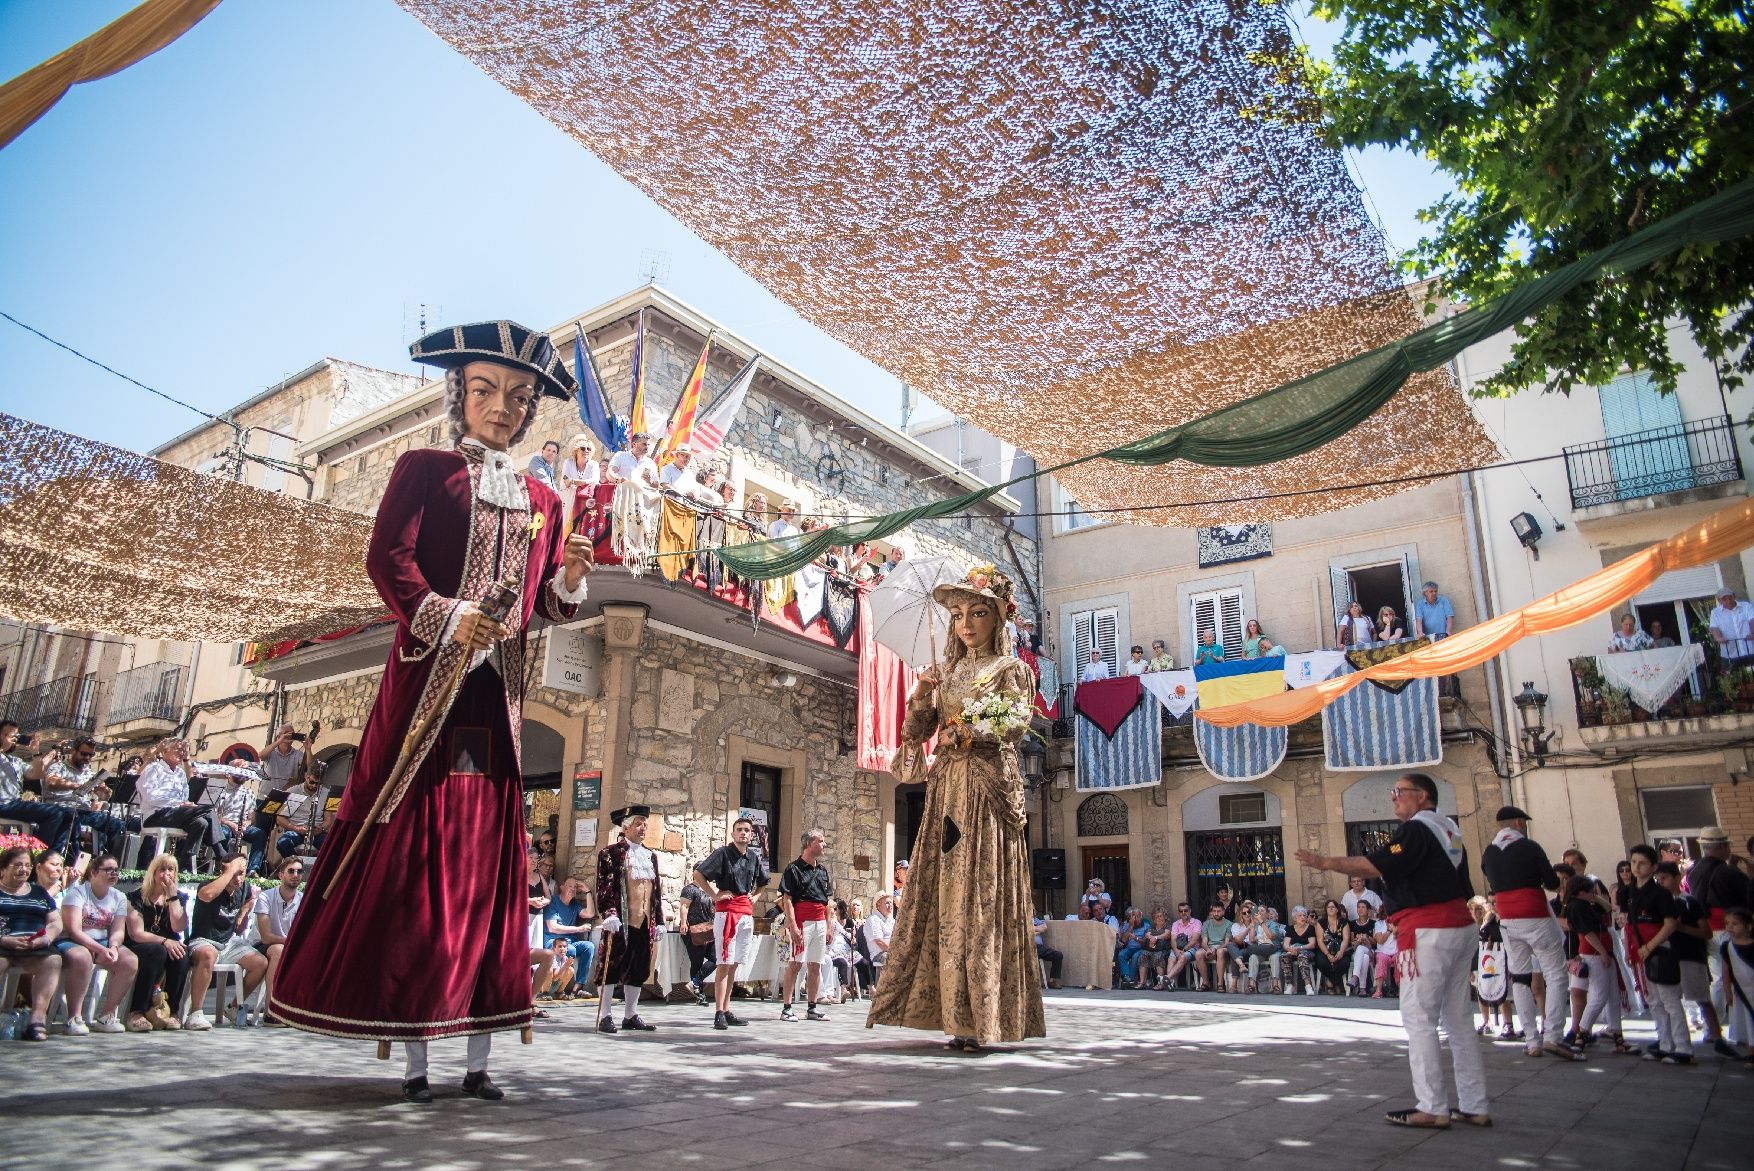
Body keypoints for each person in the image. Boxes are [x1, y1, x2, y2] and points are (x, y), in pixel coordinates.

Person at [273, 319, 591, 1104]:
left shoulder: (542, 497)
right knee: (420, 860)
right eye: (487, 391)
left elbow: (543, 601)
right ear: (461, 394)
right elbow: (391, 558)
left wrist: (574, 579)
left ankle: (478, 1057)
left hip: (491, 707)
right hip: (426, 692)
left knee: (481, 862)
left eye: (519, 399)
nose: (504, 408)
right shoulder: (424, 468)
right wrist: (449, 616)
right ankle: (415, 1056)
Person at [867, 564, 1046, 1051]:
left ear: (999, 618)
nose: (966, 623)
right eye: (958, 614)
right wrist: (921, 698)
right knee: (945, 894)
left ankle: (984, 1016)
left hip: (987, 790)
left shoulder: (1012, 671)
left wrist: (966, 730)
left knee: (980, 892)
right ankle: (949, 1013)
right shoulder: (942, 671)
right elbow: (914, 735)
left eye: (978, 612)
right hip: (947, 788)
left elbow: (1011, 725)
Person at [1296, 772, 1487, 1129]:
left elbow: (1377, 864)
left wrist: (1327, 863)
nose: (1393, 798)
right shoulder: (1450, 830)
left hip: (1431, 929)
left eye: (1400, 792)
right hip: (1458, 926)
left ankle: (1432, 1105)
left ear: (1423, 796)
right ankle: (1475, 1104)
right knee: (1459, 1020)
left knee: (1419, 1017)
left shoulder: (1417, 828)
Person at [1479, 805, 1577, 1060]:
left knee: (1520, 978)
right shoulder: (1530, 847)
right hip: (1535, 915)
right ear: (1520, 823)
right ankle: (1553, 1035)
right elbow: (1552, 883)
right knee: (1555, 975)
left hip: (1508, 920)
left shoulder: (1489, 852)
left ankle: (1532, 1039)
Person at [693, 815, 770, 1030]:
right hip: (727, 913)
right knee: (724, 963)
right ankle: (719, 1011)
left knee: (735, 963)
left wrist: (755, 897)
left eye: (747, 830)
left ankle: (727, 1008)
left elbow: (763, 882)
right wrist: (714, 895)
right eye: (739, 830)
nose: (743, 833)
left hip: (745, 912)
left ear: (751, 834)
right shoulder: (723, 854)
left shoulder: (753, 858)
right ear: (733, 833)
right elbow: (699, 875)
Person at [596, 805, 666, 1035]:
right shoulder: (611, 853)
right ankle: (605, 1015)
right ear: (625, 827)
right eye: (638, 823)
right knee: (612, 965)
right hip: (621, 919)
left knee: (638, 967)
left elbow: (655, 893)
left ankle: (630, 1014)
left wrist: (660, 920)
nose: (643, 828)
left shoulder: (650, 856)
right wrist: (609, 914)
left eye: (645, 824)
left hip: (645, 920)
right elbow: (605, 887)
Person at [1686, 826, 1752, 1053]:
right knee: (1727, 980)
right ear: (1723, 847)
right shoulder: (1729, 873)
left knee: (1717, 979)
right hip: (1728, 930)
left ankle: (1714, 1028)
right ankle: (1726, 1028)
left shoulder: (1693, 872)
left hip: (1707, 930)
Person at [56, 852, 136, 1034]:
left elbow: (117, 930)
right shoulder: (77, 893)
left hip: (102, 941)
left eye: (116, 870)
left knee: (129, 960)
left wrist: (114, 947)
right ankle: (74, 1018)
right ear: (93, 872)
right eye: (108, 870)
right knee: (82, 958)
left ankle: (106, 1016)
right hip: (73, 940)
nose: (113, 874)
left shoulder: (119, 897)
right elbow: (74, 931)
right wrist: (100, 949)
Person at [1624, 845, 1689, 1062]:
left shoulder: (1661, 894)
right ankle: (1665, 1042)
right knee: (1653, 1000)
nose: (1636, 867)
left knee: (1670, 1000)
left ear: (1653, 867)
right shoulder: (1632, 892)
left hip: (1659, 949)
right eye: (1633, 862)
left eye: (1642, 863)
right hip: (1640, 952)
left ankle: (1683, 1047)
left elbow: (1670, 924)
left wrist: (1650, 946)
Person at [1655, 862, 1721, 1059]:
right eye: (1658, 879)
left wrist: (1680, 928)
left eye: (1664, 877)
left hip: (1691, 955)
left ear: (1677, 878)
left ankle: (1717, 1036)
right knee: (1670, 1001)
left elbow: (1706, 932)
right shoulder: (1658, 903)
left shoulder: (1689, 902)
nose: (1661, 882)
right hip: (1668, 956)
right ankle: (1672, 1039)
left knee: (1701, 997)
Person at [0, 845, 62, 1041]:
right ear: (3, 869)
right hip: (2, 945)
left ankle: (36, 1020)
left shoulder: (39, 893)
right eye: (17, 865)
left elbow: (55, 922)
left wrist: (45, 939)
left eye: (27, 865)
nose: (24, 869)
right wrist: (3, 940)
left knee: (53, 960)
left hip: (33, 947)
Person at [123, 853, 190, 1032]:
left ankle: (171, 1011)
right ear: (153, 872)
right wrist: (165, 941)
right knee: (157, 952)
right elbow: (136, 933)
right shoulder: (136, 896)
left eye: (171, 870)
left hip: (169, 943)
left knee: (183, 955)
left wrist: (173, 898)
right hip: (140, 944)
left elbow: (178, 928)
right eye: (162, 869)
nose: (166, 874)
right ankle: (137, 1010)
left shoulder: (178, 898)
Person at [136, 739, 222, 871]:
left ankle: (184, 864)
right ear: (165, 751)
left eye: (183, 750)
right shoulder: (153, 769)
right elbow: (151, 796)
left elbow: (184, 797)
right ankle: (221, 853)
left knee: (201, 823)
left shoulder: (181, 773)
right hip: (155, 815)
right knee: (208, 810)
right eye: (178, 749)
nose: (181, 753)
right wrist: (180, 804)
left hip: (175, 815)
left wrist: (185, 804)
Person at [778, 827, 833, 1023]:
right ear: (810, 843)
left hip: (819, 922)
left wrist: (829, 925)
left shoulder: (823, 871)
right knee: (795, 964)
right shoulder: (793, 869)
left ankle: (812, 1007)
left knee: (815, 965)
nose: (824, 844)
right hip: (802, 921)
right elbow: (788, 899)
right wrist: (793, 926)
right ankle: (786, 1007)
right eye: (820, 841)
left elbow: (827, 901)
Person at [0, 723, 76, 859]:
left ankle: (54, 856)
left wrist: (35, 752)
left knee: (70, 814)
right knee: (54, 813)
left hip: (16, 803)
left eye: (17, 735)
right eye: (10, 734)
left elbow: (37, 774)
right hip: (4, 804)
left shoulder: (15, 761)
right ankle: (37, 857)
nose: (15, 738)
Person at [543, 876, 597, 1000]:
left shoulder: (574, 904)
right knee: (570, 949)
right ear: (561, 887)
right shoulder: (553, 902)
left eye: (575, 887)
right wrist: (579, 929)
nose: (572, 890)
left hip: (570, 942)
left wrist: (588, 891)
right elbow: (552, 928)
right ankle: (560, 987)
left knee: (588, 947)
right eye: (569, 886)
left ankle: (578, 988)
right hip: (553, 941)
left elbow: (590, 913)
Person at [1715, 907, 1754, 1067]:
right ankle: (1751, 1054)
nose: (1730, 927)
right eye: (1727, 923)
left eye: (1735, 923)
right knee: (1746, 1022)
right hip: (1740, 990)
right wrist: (1727, 990)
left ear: (1748, 926)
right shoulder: (1727, 946)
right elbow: (1725, 971)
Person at [274, 773, 332, 862]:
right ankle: (296, 864)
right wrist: (296, 828)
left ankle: (316, 869)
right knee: (283, 843)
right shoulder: (292, 791)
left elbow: (328, 820)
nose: (314, 786)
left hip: (317, 832)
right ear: (306, 776)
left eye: (318, 783)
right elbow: (279, 819)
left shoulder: (326, 793)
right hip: (295, 830)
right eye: (312, 782)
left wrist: (321, 828)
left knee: (332, 846)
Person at [677, 876, 716, 1003]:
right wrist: (683, 923)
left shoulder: (708, 890)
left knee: (716, 959)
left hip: (708, 929)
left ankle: (695, 982)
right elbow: (684, 906)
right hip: (693, 929)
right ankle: (700, 995)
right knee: (697, 962)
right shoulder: (689, 889)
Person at [1313, 899, 1353, 995]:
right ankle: (1336, 982)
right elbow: (1319, 940)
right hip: (1325, 950)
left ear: (1337, 909)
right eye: (1328, 907)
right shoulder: (1321, 922)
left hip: (1340, 950)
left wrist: (1341, 952)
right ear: (1326, 909)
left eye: (1333, 907)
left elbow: (1346, 939)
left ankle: (1330, 982)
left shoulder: (1344, 922)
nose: (1331, 909)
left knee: (1345, 962)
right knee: (1322, 963)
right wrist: (1327, 954)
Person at [1708, 588, 1754, 661]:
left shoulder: (1746, 606)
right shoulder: (1715, 613)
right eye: (1724, 599)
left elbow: (1752, 620)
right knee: (1734, 672)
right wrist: (1718, 638)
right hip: (1730, 653)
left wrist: (1753, 633)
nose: (1728, 601)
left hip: (1751, 649)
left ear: (1734, 597)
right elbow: (1714, 627)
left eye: (1730, 598)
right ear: (1719, 601)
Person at [1115, 906, 1151, 988]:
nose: (1135, 919)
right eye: (1133, 916)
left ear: (1141, 916)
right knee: (1121, 954)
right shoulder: (1127, 925)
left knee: (1135, 957)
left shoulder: (1146, 926)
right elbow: (1124, 940)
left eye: (1137, 916)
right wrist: (1131, 927)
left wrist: (1136, 938)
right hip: (1129, 948)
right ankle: (1127, 978)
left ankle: (1131, 980)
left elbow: (1145, 942)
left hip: (1141, 949)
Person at [863, 891, 895, 982]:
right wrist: (895, 951)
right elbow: (879, 942)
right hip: (879, 954)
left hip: (890, 951)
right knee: (892, 959)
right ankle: (880, 992)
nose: (890, 905)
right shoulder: (873, 919)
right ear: (878, 905)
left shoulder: (891, 920)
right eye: (887, 903)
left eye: (891, 903)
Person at [260, 726, 305, 790]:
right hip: (265, 794)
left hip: (285, 795)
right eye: (286, 733)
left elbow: (309, 766)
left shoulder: (298, 754)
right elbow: (261, 756)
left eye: (292, 734)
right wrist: (279, 741)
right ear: (278, 737)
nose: (289, 735)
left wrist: (308, 749)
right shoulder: (271, 751)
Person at [1032, 915, 1063, 989]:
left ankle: (1052, 981)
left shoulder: (1035, 919)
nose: (1033, 911)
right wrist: (1038, 930)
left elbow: (1044, 928)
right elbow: (1026, 931)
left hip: (1040, 948)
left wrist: (1034, 930)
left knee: (1058, 955)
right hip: (1029, 946)